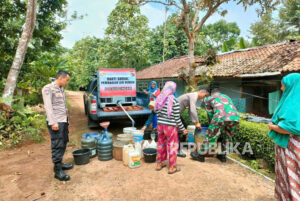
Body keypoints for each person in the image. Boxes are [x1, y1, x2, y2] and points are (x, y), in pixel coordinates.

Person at [268, 73, 300, 201]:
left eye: (283, 85)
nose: (281, 89)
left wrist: (272, 127)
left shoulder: (292, 104)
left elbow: (287, 128)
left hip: (291, 147)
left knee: (291, 177)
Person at [191, 88, 239, 163]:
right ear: (219, 92)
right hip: (235, 118)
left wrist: (211, 126)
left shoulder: (209, 99)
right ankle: (222, 156)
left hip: (220, 117)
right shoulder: (227, 97)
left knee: (210, 136)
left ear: (211, 94)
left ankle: (201, 156)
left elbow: (210, 114)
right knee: (227, 136)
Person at [42, 70, 72, 181]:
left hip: (63, 121)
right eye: (66, 80)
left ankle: (61, 164)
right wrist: (53, 122)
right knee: (57, 144)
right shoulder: (48, 89)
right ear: (60, 78)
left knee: (63, 142)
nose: (67, 82)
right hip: (56, 122)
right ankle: (57, 171)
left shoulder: (61, 89)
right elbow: (48, 107)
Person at [155, 81, 187, 174]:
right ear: (173, 89)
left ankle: (159, 164)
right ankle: (172, 167)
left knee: (161, 144)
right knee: (172, 146)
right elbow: (177, 118)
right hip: (170, 127)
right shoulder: (174, 101)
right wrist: (183, 128)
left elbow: (157, 112)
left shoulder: (159, 98)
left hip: (160, 126)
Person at [177, 88, 209, 157]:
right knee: (181, 130)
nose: (204, 97)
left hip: (175, 113)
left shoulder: (192, 96)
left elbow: (190, 110)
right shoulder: (194, 96)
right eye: (205, 95)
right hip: (174, 113)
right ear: (202, 92)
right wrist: (197, 122)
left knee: (183, 127)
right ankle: (178, 150)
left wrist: (195, 121)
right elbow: (193, 109)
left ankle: (179, 147)